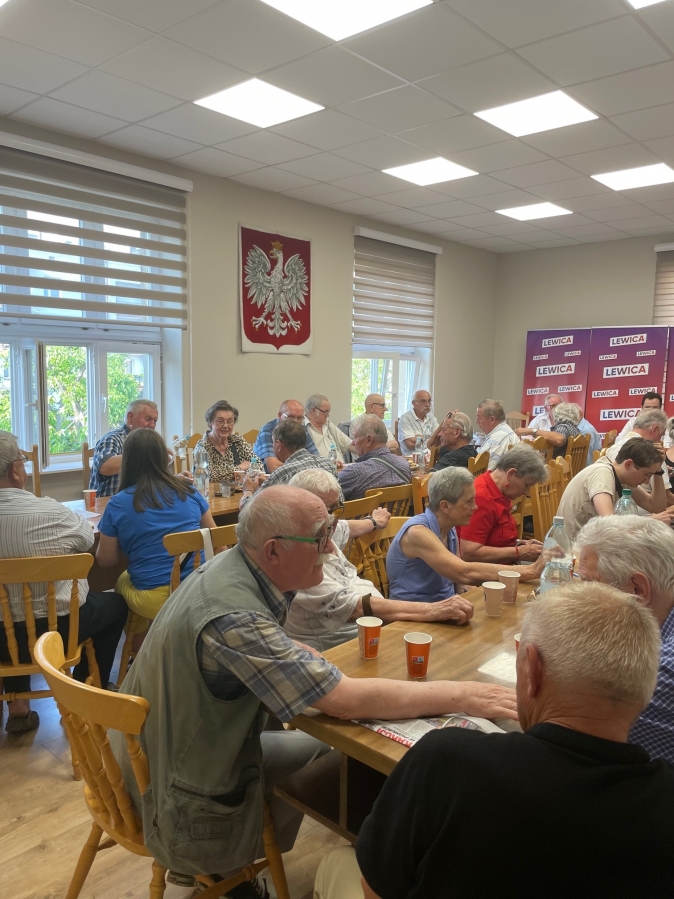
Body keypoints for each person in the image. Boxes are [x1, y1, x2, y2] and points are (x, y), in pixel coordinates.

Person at [111, 486, 519, 890]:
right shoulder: (235, 617)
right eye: (320, 538)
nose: (330, 548)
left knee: (322, 747)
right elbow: (344, 700)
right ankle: (224, 869)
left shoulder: (229, 568)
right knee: (336, 751)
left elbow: (263, 644)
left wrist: (285, 649)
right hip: (170, 791)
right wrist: (467, 695)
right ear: (273, 550)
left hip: (155, 752)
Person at [315, 582, 674, 899]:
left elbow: (375, 891)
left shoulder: (447, 760)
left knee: (336, 860)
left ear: (531, 669)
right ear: (643, 688)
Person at [0, 431, 126, 732]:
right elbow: (87, 540)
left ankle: (18, 708)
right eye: (23, 461)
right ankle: (84, 692)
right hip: (59, 631)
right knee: (116, 605)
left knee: (11, 612)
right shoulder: (52, 512)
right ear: (15, 471)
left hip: (2, 641)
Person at [285, 470, 474, 650]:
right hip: (339, 648)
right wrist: (434, 610)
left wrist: (373, 522)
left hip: (377, 630)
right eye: (326, 512)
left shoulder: (325, 527)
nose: (331, 520)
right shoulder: (299, 559)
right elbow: (355, 607)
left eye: (336, 509)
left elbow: (344, 526)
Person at [96, 429, 218, 650]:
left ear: (127, 461)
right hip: (198, 586)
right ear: (164, 458)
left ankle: (140, 652)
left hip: (155, 597)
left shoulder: (118, 503)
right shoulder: (189, 490)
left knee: (122, 581)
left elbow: (106, 560)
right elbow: (216, 538)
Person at [576, 515, 674, 765]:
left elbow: (559, 729)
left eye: (589, 584)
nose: (579, 597)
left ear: (637, 590)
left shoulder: (654, 676)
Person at [386, 467, 543, 603]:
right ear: (445, 506)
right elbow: (463, 573)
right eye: (468, 502)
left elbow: (459, 585)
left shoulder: (449, 527)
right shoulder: (417, 533)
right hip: (413, 617)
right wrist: (530, 570)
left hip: (445, 607)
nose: (475, 507)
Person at [556, 437, 668, 540]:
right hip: (573, 547)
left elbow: (656, 507)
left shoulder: (622, 478)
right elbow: (610, 524)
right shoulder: (602, 474)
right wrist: (648, 521)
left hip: (590, 540)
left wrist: (658, 471)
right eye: (646, 475)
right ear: (628, 464)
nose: (647, 481)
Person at [458, 445, 546, 564]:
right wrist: (518, 552)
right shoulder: (481, 497)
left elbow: (493, 536)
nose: (526, 492)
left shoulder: (499, 491)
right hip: (484, 571)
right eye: (526, 485)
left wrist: (519, 544)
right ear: (511, 474)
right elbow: (469, 552)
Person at [239, 419, 337, 507]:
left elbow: (247, 508)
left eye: (273, 443)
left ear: (279, 445)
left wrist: (248, 489)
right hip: (333, 519)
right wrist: (269, 485)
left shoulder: (282, 474)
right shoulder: (328, 464)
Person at [89, 398, 158, 497]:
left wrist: (174, 479)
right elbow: (105, 467)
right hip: (110, 502)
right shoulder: (112, 438)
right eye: (148, 419)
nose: (152, 425)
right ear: (130, 418)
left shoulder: (151, 442)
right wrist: (146, 453)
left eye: (155, 421)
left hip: (139, 500)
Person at [338, 415, 411, 501]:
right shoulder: (404, 464)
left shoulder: (354, 472)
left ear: (369, 440)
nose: (353, 443)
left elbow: (327, 492)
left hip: (367, 510)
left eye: (356, 437)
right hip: (398, 510)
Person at [607, 408, 671, 493]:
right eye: (660, 436)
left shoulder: (612, 448)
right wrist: (659, 470)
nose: (659, 442)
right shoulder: (652, 454)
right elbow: (666, 497)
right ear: (654, 429)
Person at [193, 399, 252, 484]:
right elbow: (209, 476)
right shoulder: (202, 446)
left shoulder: (238, 441)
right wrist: (240, 468)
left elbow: (257, 466)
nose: (225, 425)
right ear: (210, 423)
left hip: (240, 490)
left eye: (230, 421)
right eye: (220, 421)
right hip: (212, 491)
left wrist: (225, 473)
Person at [252, 399, 318, 473]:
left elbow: (315, 459)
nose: (295, 421)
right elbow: (273, 467)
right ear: (280, 415)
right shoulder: (268, 430)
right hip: (271, 477)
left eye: (300, 418)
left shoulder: (300, 428)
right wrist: (304, 464)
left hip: (297, 474)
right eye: (291, 417)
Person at [516, 401, 582, 459]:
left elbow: (559, 439)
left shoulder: (563, 427)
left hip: (554, 466)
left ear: (557, 415)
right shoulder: (575, 430)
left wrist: (532, 431)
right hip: (567, 467)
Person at [305, 393, 352, 463]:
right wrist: (330, 464)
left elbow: (349, 444)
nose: (328, 415)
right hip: (319, 468)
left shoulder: (328, 425)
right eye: (326, 411)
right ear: (313, 410)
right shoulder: (302, 428)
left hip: (341, 467)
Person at [475, 399, 519, 469]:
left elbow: (482, 470)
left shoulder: (496, 441)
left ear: (492, 419)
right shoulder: (505, 429)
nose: (476, 421)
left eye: (479, 417)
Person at [397, 390, 438, 456]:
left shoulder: (432, 418)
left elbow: (438, 439)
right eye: (423, 401)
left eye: (429, 401)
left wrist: (418, 438)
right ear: (414, 403)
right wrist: (430, 438)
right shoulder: (405, 418)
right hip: (411, 458)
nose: (427, 404)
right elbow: (410, 444)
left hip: (429, 457)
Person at [573, 403, 601, 467]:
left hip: (588, 468)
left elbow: (587, 460)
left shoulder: (585, 431)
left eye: (573, 415)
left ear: (581, 414)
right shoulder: (583, 426)